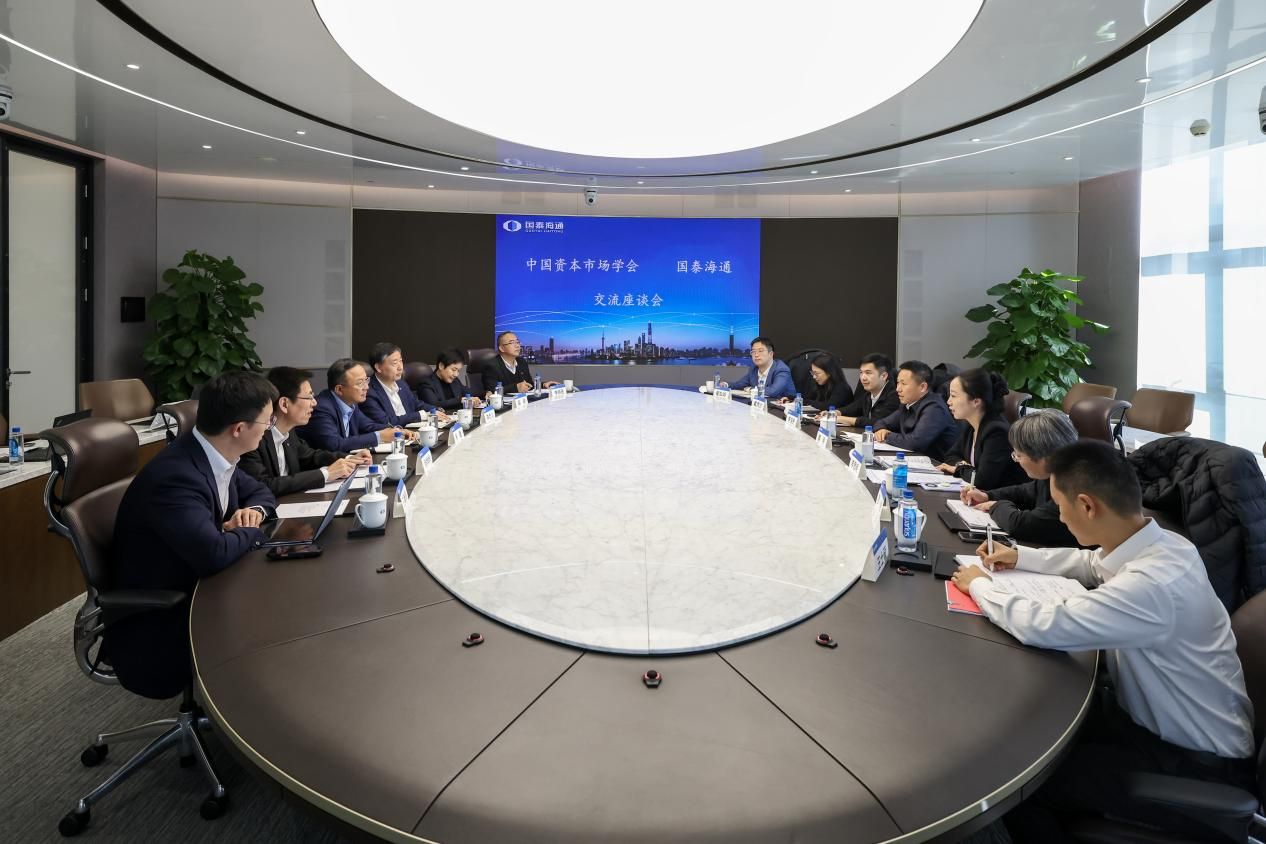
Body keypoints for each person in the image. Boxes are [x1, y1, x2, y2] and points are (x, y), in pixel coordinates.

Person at [952, 440, 1255, 843]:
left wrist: (981, 586)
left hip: (1192, 760)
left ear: (1087, 506)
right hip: (1163, 723)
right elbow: (1094, 563)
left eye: (1061, 506)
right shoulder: (1167, 543)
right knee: (1033, 729)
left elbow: (1046, 625)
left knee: (1023, 781)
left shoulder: (1153, 585)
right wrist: (1021, 556)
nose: (1060, 515)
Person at [107, 371, 278, 698]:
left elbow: (260, 492)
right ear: (238, 429)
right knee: (278, 618)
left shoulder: (213, 454)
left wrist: (253, 512)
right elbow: (213, 554)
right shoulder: (177, 477)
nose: (269, 429)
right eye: (267, 422)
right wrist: (251, 531)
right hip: (169, 614)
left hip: (201, 582)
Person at [240, 366, 371, 497]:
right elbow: (263, 485)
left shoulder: (289, 432)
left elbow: (310, 457)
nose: (314, 403)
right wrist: (326, 474)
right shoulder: (253, 438)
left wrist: (349, 459)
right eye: (309, 397)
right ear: (284, 404)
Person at [960, 409, 1079, 546]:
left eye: (1018, 455)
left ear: (1044, 458)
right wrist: (987, 496)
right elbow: (1025, 492)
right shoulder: (1055, 473)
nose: (1017, 460)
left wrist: (996, 506)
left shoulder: (1074, 486)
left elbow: (1020, 525)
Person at [297, 358, 414, 452]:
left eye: (366, 380)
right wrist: (380, 436)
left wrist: (397, 431)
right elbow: (334, 444)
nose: (366, 387)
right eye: (360, 383)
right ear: (339, 389)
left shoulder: (351, 403)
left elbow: (369, 426)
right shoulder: (321, 408)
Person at [937, 368, 1026, 490]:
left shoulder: (997, 432)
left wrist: (959, 468)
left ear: (976, 401)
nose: (948, 401)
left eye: (953, 396)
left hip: (1003, 499)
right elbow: (950, 456)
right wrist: (965, 466)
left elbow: (982, 481)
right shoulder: (972, 425)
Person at [872, 360, 957, 461]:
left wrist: (887, 435)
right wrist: (881, 430)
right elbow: (882, 423)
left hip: (937, 464)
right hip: (916, 460)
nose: (898, 389)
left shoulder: (934, 408)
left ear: (922, 387)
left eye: (903, 384)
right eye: (898, 382)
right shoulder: (908, 403)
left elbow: (915, 443)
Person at [362, 341, 442, 426]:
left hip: (413, 430)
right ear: (378, 367)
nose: (400, 367)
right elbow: (387, 422)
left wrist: (435, 410)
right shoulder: (368, 392)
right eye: (395, 363)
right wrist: (421, 415)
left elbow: (416, 404)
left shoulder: (401, 383)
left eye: (401, 361)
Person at [720, 336, 795, 400]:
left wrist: (751, 389)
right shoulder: (754, 369)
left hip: (781, 407)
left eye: (760, 351)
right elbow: (740, 384)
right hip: (760, 405)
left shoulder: (781, 369)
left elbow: (773, 391)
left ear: (771, 354)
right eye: (753, 352)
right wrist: (725, 384)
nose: (756, 355)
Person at [482, 331, 557, 394]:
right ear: (502, 348)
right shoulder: (491, 366)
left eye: (517, 342)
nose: (517, 345)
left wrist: (543, 385)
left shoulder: (521, 362)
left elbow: (529, 384)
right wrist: (516, 388)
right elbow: (492, 390)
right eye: (511, 343)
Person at [837, 353, 900, 428]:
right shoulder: (868, 395)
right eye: (861, 372)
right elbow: (851, 409)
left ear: (883, 376)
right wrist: (835, 413)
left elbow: (879, 422)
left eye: (868, 373)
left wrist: (843, 419)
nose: (863, 378)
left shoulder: (895, 397)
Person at [421, 347, 483, 411]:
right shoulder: (427, 383)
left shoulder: (455, 380)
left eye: (458, 371)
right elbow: (434, 405)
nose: (456, 374)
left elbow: (467, 392)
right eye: (453, 370)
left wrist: (483, 395)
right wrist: (460, 400)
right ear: (441, 366)